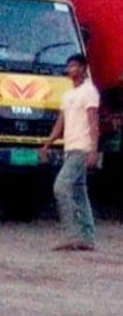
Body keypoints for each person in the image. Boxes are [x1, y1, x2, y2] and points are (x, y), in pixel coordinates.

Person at [41, 54, 100, 251]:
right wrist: (48, 144)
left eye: (75, 66)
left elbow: (93, 123)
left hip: (81, 148)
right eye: (69, 66)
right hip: (70, 147)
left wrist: (93, 149)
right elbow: (60, 124)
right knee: (79, 192)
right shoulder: (67, 95)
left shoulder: (89, 92)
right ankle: (87, 237)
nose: (70, 69)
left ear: (84, 69)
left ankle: (71, 234)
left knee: (61, 187)